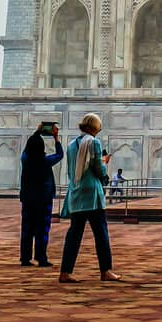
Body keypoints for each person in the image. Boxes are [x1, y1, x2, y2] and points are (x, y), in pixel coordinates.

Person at [59, 113, 121, 283]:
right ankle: (105, 271)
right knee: (101, 234)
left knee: (74, 234)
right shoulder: (94, 142)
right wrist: (104, 163)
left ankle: (65, 272)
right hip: (92, 194)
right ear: (95, 127)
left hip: (77, 193)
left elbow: (73, 168)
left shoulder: (72, 145)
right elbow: (98, 169)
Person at [19, 122, 64, 267]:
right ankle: (41, 258)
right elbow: (59, 155)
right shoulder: (45, 161)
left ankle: (25, 258)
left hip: (28, 199)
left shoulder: (25, 160)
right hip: (43, 200)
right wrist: (56, 138)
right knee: (42, 229)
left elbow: (26, 150)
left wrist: (36, 132)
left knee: (27, 228)